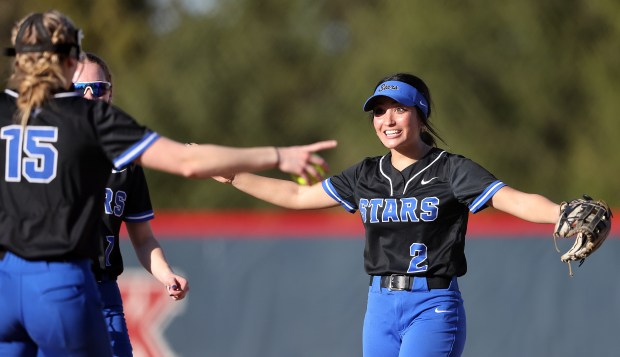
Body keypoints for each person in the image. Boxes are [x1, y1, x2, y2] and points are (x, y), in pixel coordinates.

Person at [0, 10, 336, 357]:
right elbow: (187, 162)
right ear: (72, 59)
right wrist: (277, 155)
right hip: (60, 283)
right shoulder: (89, 117)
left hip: (5, 287)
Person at [214, 72, 562, 356]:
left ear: (421, 116)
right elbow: (296, 194)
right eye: (379, 111)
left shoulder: (451, 169)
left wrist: (561, 213)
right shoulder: (366, 174)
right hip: (379, 305)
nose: (387, 120)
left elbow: (513, 200)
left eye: (399, 108)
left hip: (432, 304)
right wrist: (232, 174)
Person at [73, 52, 188, 356]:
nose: (88, 95)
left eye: (97, 88)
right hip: (54, 283)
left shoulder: (127, 161)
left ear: (110, 94)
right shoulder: (43, 153)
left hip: (103, 289)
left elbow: (143, 237)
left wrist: (166, 275)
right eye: (77, 88)